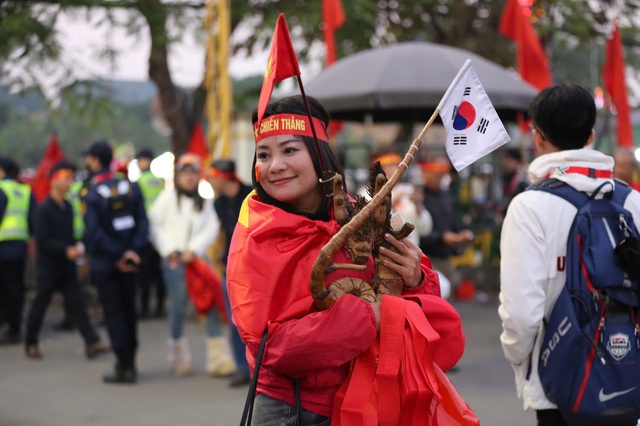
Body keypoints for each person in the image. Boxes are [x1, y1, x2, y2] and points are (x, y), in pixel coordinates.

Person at [227, 95, 466, 424]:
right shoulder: (255, 235)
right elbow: (273, 349)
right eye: (263, 155)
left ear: (319, 155)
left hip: (369, 397)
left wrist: (415, 278)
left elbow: (414, 314)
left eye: (290, 150)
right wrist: (371, 314)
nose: (275, 166)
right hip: (293, 409)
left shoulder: (362, 215)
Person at [498, 83, 640, 426]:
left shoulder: (529, 206)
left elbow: (521, 314)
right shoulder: (631, 201)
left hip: (559, 380)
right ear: (591, 135)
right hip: (629, 374)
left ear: (538, 136)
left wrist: (521, 359)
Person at [148, 153, 235, 378]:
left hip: (197, 262)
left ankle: (218, 359)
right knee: (177, 307)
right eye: (184, 173)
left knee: (211, 305)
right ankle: (179, 359)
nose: (188, 178)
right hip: (175, 262)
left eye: (193, 173)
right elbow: (154, 226)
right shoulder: (166, 199)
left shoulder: (204, 202)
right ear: (177, 176)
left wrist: (194, 250)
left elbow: (212, 228)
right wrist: (171, 250)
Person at [24, 160, 109, 359]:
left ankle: (92, 342)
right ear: (53, 181)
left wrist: (79, 247)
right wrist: (65, 250)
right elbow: (43, 239)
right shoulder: (43, 209)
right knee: (40, 304)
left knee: (77, 304)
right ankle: (31, 342)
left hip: (67, 266)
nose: (69, 183)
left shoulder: (69, 207)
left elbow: (73, 233)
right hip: (48, 267)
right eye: (65, 179)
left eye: (71, 179)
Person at [83, 140, 149, 384]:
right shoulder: (130, 186)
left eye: (88, 158)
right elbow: (143, 222)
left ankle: (124, 366)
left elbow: (94, 232)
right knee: (129, 311)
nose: (87, 162)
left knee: (114, 314)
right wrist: (131, 252)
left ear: (96, 160)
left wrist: (117, 255)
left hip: (106, 264)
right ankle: (130, 363)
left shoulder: (93, 192)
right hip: (131, 261)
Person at [206, 158, 253, 387]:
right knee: (236, 320)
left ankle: (261, 368)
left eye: (212, 176)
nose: (209, 181)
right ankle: (242, 368)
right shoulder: (218, 203)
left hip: (255, 269)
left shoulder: (253, 197)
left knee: (259, 321)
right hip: (231, 268)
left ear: (223, 177)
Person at [418, 156, 474, 293]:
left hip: (445, 256)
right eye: (436, 175)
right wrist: (441, 237)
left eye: (441, 176)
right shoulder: (419, 198)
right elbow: (419, 229)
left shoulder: (446, 195)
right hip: (427, 256)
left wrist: (460, 235)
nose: (440, 179)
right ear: (425, 174)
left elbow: (452, 220)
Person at [358, 148, 433, 247]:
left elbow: (425, 230)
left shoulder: (408, 190)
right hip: (382, 253)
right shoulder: (366, 193)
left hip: (409, 254)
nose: (393, 170)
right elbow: (370, 225)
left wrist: (419, 206)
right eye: (387, 166)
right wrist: (394, 198)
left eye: (395, 165)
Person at [0, 156, 36, 344]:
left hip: (2, 245)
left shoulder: (1, 189)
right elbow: (33, 221)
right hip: (20, 245)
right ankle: (15, 327)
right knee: (16, 287)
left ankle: (9, 326)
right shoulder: (25, 191)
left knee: (4, 290)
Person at [134, 148, 166, 319]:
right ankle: (160, 307)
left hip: (145, 232)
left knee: (145, 273)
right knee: (158, 272)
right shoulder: (158, 181)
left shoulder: (140, 182)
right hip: (159, 231)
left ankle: (145, 308)